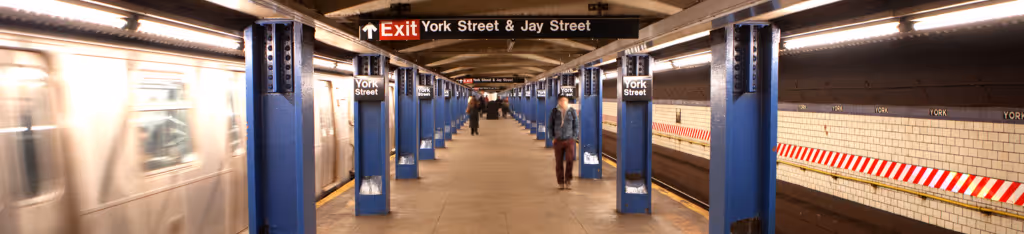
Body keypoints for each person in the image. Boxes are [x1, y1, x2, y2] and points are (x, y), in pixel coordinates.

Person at [547, 96, 578, 190]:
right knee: (558, 162)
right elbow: (550, 125)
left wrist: (574, 137)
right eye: (561, 100)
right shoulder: (554, 111)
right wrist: (552, 138)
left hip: (569, 140)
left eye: (565, 100)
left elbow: (576, 125)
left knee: (569, 160)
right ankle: (560, 182)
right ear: (559, 102)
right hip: (558, 140)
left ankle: (568, 180)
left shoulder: (572, 111)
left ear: (567, 101)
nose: (563, 102)